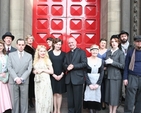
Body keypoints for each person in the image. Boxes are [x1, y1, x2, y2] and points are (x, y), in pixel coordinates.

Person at [8, 38, 32, 113]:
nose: (21, 46)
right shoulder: (11, 55)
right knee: (14, 100)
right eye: (19, 45)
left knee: (24, 99)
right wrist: (16, 78)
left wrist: (21, 78)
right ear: (16, 45)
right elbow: (9, 67)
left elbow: (29, 69)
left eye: (22, 45)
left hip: (24, 80)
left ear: (24, 45)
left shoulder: (29, 56)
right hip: (13, 80)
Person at [63, 37, 87, 113]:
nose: (70, 44)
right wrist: (67, 67)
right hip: (69, 79)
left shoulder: (81, 52)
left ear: (76, 42)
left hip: (78, 79)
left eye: (72, 42)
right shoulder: (67, 54)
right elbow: (64, 64)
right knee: (70, 99)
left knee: (78, 99)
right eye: (69, 43)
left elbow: (84, 64)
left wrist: (74, 66)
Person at [105, 35, 125, 113]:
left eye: (115, 41)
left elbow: (122, 66)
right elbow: (106, 63)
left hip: (116, 77)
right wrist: (105, 63)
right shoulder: (108, 52)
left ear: (118, 43)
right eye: (112, 41)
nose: (113, 43)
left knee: (115, 96)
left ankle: (114, 111)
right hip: (109, 76)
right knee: (109, 95)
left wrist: (112, 62)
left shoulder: (120, 53)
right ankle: (110, 111)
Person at [83, 44, 104, 113]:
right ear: (90, 51)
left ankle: (96, 110)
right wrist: (89, 84)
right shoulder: (87, 60)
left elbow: (102, 72)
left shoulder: (101, 61)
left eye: (96, 50)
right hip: (89, 80)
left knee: (96, 96)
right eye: (93, 50)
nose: (95, 52)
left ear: (98, 51)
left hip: (97, 80)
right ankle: (90, 110)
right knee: (89, 95)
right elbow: (85, 72)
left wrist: (98, 83)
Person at [33, 45, 54, 113]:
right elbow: (34, 70)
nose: (43, 53)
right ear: (38, 52)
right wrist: (34, 71)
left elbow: (51, 71)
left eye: (44, 51)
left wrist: (42, 70)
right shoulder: (36, 60)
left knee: (45, 97)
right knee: (39, 98)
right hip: (37, 81)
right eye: (41, 51)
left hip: (45, 81)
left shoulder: (47, 60)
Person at [123, 35, 141, 113]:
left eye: (140, 41)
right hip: (132, 77)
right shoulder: (130, 52)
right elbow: (126, 66)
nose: (139, 43)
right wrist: (125, 78)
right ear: (134, 42)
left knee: (140, 99)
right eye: (137, 41)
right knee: (130, 98)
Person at [48, 38, 66, 113]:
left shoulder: (64, 54)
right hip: (52, 75)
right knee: (54, 93)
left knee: (59, 94)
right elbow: (47, 65)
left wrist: (61, 75)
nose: (58, 46)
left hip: (61, 75)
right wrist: (53, 75)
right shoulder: (49, 53)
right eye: (57, 44)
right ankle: (54, 109)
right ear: (54, 44)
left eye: (60, 44)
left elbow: (65, 65)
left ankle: (58, 110)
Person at [118, 30, 134, 101]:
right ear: (120, 38)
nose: (124, 38)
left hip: (129, 68)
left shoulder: (132, 47)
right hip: (120, 68)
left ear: (127, 37)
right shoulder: (118, 47)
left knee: (128, 85)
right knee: (118, 85)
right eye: (122, 36)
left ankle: (128, 100)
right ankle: (120, 99)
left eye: (125, 36)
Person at [0, 40, 12, 113]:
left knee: (5, 97)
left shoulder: (6, 56)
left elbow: (8, 68)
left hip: (5, 79)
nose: (0, 47)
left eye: (1, 45)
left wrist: (6, 76)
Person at [24, 34, 35, 108]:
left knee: (31, 84)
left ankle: (30, 99)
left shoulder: (34, 48)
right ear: (27, 40)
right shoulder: (25, 48)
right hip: (26, 68)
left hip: (33, 69)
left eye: (31, 39)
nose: (30, 40)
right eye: (29, 39)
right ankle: (26, 101)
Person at [97, 38, 108, 109]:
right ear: (99, 43)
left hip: (105, 72)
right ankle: (98, 102)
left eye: (104, 43)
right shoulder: (96, 51)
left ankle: (103, 102)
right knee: (98, 87)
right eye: (102, 43)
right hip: (97, 72)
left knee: (104, 87)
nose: (103, 44)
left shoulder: (108, 51)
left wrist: (106, 67)